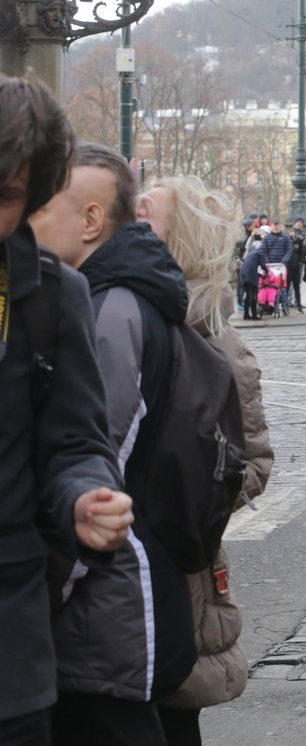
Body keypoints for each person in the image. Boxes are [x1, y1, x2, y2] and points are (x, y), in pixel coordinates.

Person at [31, 143, 199, 745]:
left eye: (39, 206)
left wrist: (39, 591)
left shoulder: (111, 309)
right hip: (128, 590)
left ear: (92, 220)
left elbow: (102, 463)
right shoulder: (122, 292)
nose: (25, 221)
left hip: (104, 602)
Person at [0, 76, 132, 746]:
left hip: (10, 649)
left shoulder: (54, 296)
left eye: (5, 197)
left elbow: (75, 443)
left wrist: (84, 498)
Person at [135, 175, 274, 746]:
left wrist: (182, 510)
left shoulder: (214, 340)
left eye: (144, 219)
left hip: (175, 566)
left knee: (168, 712)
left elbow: (254, 466)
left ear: (181, 243)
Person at [238, 233, 267, 320]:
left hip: (243, 272)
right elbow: (263, 266)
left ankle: (246, 315)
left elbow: (251, 265)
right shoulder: (261, 252)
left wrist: (260, 275)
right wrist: (267, 273)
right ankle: (254, 315)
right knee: (253, 294)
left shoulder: (253, 253)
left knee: (248, 294)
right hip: (250, 273)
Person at [287, 218, 306, 312]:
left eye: (301, 223)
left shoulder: (302, 233)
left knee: (297, 283)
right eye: (298, 222)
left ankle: (296, 302)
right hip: (291, 262)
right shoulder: (291, 232)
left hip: (299, 260)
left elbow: (301, 244)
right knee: (290, 284)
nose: (299, 224)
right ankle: (289, 301)